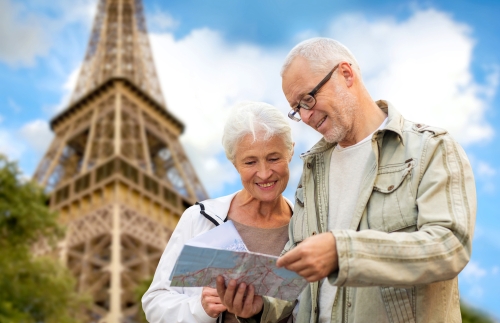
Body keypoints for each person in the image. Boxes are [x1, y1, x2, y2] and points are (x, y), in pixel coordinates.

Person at [218, 38, 476, 323]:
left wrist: (344, 252)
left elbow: (449, 247)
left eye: (308, 99)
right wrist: (259, 307)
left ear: (346, 74)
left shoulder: (431, 149)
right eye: (296, 109)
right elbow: (296, 273)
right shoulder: (312, 170)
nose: (305, 116)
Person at [142, 101, 295, 323]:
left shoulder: (306, 225)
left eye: (273, 158)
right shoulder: (199, 219)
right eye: (250, 162)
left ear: (290, 151)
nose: (264, 173)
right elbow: (155, 302)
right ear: (234, 164)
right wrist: (201, 308)